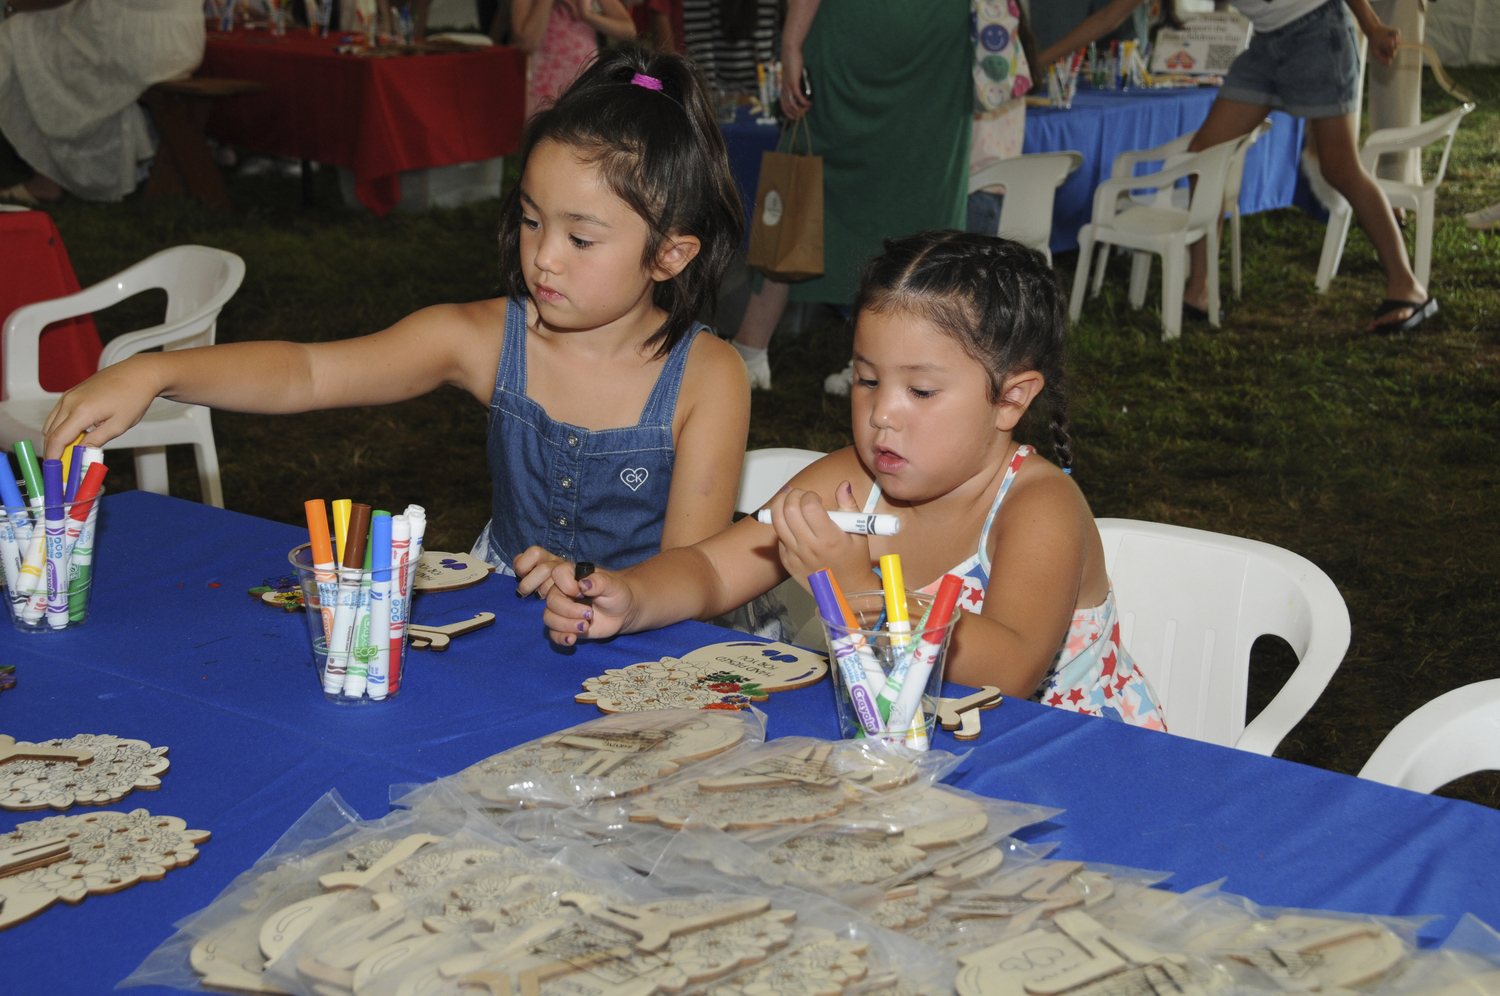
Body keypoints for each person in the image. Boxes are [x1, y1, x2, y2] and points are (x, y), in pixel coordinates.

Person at [41, 48, 751, 599]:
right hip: (507, 622)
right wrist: (157, 371)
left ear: (669, 253)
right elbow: (310, 372)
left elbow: (695, 575)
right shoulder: (483, 339)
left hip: (651, 651)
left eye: (581, 238)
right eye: (531, 220)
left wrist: (617, 595)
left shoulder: (708, 378)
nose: (544, 258)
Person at [541, 231, 1168, 728]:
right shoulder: (854, 479)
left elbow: (1011, 669)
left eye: (920, 390)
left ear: (1010, 400)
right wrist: (629, 596)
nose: (882, 413)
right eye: (867, 379)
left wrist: (854, 588)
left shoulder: (1037, 507)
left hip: (1065, 755)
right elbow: (712, 571)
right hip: (910, 744)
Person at [1037, 0, 1433, 334]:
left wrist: (1373, 25)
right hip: (1266, 45)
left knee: (1340, 169)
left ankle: (1408, 288)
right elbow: (1112, 13)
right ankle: (1200, 289)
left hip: (1318, 32)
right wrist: (1042, 61)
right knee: (1203, 154)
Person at [729, 0, 974, 392]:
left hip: (895, 40)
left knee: (803, 184)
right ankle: (889, 362)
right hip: (932, 39)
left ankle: (754, 349)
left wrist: (791, 44)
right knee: (908, 189)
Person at [0, 0, 204, 204]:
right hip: (180, 37)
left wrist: (14, 4)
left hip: (140, 41)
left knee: (20, 32)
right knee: (39, 29)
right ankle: (51, 174)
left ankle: (47, 179)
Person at [512, 0, 637, 119]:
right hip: (544, 84)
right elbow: (527, 44)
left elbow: (629, 32)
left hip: (584, 78)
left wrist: (588, 16)